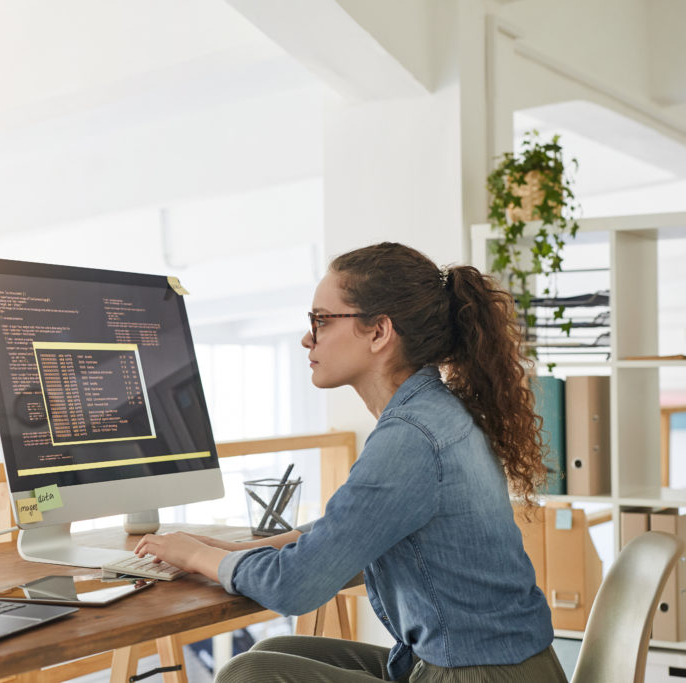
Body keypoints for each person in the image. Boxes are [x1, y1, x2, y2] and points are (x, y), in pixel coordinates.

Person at [134, 242, 566, 682]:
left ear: (379, 332)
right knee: (273, 651)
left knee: (252, 674)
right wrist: (238, 551)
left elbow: (295, 586)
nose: (308, 337)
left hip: (479, 676)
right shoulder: (429, 413)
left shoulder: (411, 437)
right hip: (494, 665)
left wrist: (195, 554)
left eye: (320, 321)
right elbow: (351, 535)